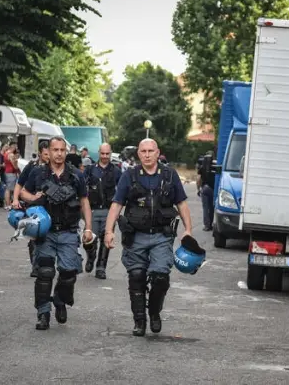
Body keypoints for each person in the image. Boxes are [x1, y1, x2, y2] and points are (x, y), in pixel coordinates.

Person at [104, 138, 193, 336]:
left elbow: (182, 204)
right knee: (136, 276)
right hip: (135, 235)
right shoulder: (130, 176)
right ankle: (139, 320)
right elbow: (117, 204)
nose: (146, 154)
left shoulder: (169, 175)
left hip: (161, 236)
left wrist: (188, 230)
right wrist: (109, 231)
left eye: (150, 151)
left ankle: (153, 312)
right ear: (138, 154)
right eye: (143, 151)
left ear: (157, 152)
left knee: (160, 277)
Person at [21, 136, 93, 330]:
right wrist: (34, 197)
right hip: (45, 231)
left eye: (62, 150)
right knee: (45, 272)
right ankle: (43, 313)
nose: (59, 154)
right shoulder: (38, 173)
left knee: (69, 273)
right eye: (55, 150)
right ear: (49, 151)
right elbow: (23, 193)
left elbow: (84, 201)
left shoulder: (76, 175)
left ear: (66, 152)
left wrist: (88, 228)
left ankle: (60, 300)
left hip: (69, 230)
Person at [83, 143, 122, 279]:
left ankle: (101, 268)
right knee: (88, 240)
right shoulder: (89, 170)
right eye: (102, 153)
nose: (105, 156)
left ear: (110, 153)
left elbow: (122, 191)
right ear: (98, 153)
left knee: (106, 241)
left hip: (109, 210)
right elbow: (82, 188)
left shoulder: (116, 171)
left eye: (107, 154)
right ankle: (91, 256)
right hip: (92, 210)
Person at [12, 140, 50, 278]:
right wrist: (16, 200)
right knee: (34, 235)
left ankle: (44, 264)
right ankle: (35, 265)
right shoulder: (32, 167)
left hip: (48, 206)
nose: (48, 156)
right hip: (32, 205)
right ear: (40, 154)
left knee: (46, 236)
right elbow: (20, 184)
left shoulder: (53, 168)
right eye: (46, 154)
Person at [197, 150, 215, 231]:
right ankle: (211, 223)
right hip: (213, 189)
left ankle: (207, 225)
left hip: (204, 188)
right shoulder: (215, 166)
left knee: (205, 208)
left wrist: (198, 189)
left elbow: (198, 179)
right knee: (211, 207)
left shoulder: (202, 167)